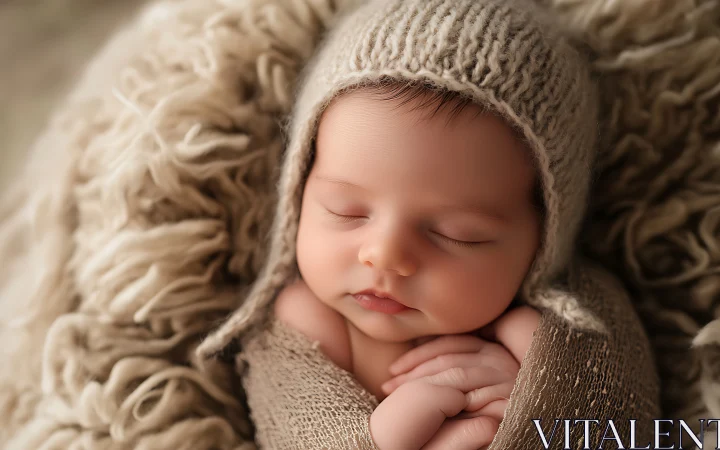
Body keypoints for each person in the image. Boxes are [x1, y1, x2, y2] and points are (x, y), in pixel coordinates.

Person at [198, 0, 661, 448]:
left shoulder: (566, 326)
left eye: (458, 234)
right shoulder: (310, 321)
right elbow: (288, 428)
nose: (384, 254)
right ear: (299, 191)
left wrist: (545, 398)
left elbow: (630, 419)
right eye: (346, 210)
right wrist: (377, 438)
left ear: (543, 241)